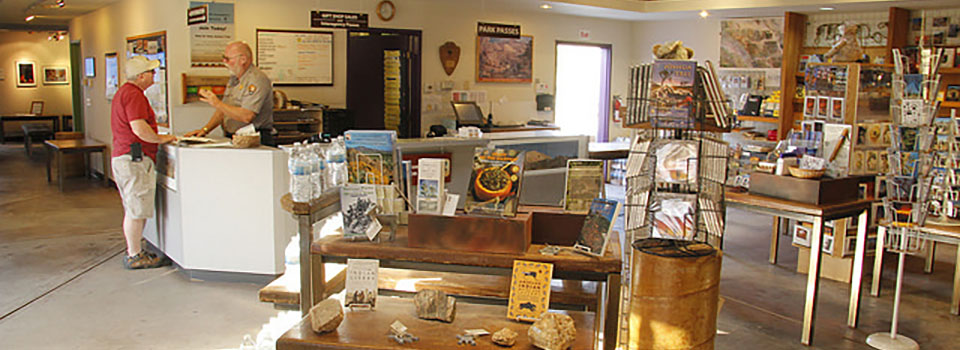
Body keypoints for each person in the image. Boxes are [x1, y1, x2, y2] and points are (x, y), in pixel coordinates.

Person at [111, 56, 178, 269]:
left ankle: (135, 250)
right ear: (141, 76)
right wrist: (162, 139)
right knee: (136, 209)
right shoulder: (134, 95)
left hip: (125, 157)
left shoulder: (124, 93)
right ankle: (134, 255)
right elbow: (139, 128)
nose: (154, 75)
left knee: (133, 207)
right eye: (151, 72)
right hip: (134, 160)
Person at [186, 41, 274, 146]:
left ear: (243, 60)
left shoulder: (256, 80)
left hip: (254, 140)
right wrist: (205, 130)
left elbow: (247, 116)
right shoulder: (234, 79)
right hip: (234, 137)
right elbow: (223, 110)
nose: (224, 62)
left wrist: (217, 103)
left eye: (228, 59)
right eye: (223, 58)